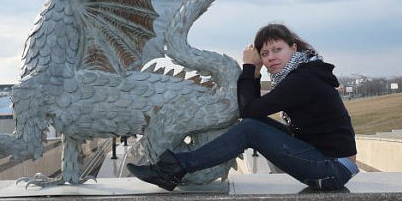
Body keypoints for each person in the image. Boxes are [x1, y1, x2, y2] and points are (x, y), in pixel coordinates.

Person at [127, 23, 359, 191]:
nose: (271, 57)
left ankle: (174, 168)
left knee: (250, 128)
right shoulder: (301, 73)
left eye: (277, 50)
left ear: (293, 48)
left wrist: (249, 67)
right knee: (252, 124)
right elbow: (253, 110)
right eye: (264, 54)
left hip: (332, 169)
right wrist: (255, 72)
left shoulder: (303, 79)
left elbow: (248, 109)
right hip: (324, 159)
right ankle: (173, 168)